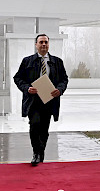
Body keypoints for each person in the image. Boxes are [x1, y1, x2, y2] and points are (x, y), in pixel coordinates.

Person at [13, 34, 68, 166]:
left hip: (49, 101)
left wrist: (59, 90)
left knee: (44, 129)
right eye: (41, 42)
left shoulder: (57, 62)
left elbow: (64, 79)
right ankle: (36, 153)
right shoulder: (27, 61)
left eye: (46, 42)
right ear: (36, 45)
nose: (44, 44)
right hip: (33, 101)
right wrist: (27, 88)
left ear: (48, 44)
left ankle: (40, 153)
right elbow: (18, 78)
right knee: (34, 126)